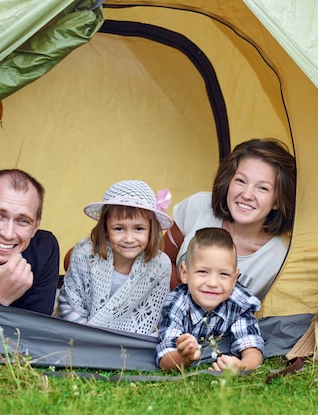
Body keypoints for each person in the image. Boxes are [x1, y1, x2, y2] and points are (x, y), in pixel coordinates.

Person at [165, 138, 296, 299]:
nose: (247, 195)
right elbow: (160, 260)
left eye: (262, 188)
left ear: (277, 200)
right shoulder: (198, 207)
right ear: (229, 182)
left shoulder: (280, 259)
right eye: (240, 181)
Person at [57, 180, 173, 335]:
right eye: (119, 228)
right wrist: (86, 338)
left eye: (138, 229)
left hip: (126, 343)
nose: (129, 238)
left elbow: (154, 316)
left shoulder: (160, 266)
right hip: (77, 333)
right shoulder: (84, 252)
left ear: (151, 230)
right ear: (105, 228)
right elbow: (69, 302)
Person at [156, 227, 264, 372]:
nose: (212, 283)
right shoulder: (176, 303)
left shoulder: (239, 303)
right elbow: (165, 362)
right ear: (185, 273)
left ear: (234, 279)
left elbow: (252, 350)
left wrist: (241, 366)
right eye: (202, 272)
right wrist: (184, 356)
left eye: (224, 274)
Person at [0, 169, 60, 315]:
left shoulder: (44, 248)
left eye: (22, 221)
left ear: (35, 227)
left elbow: (35, 330)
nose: (8, 234)